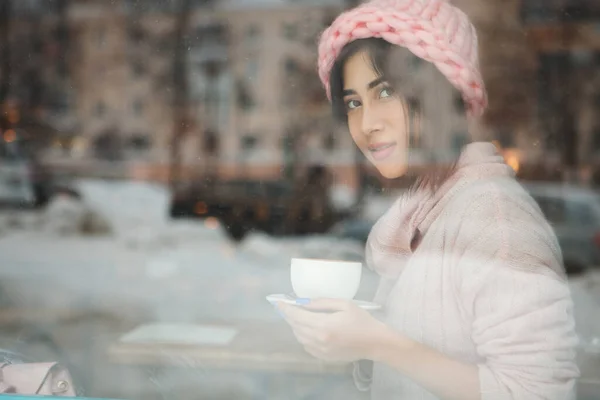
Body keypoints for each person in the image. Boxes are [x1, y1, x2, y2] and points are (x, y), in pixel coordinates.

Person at [276, 0, 580, 399]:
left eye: (385, 92)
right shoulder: (419, 216)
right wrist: (345, 339)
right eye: (354, 103)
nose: (367, 124)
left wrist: (378, 343)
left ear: (449, 96)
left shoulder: (495, 219)